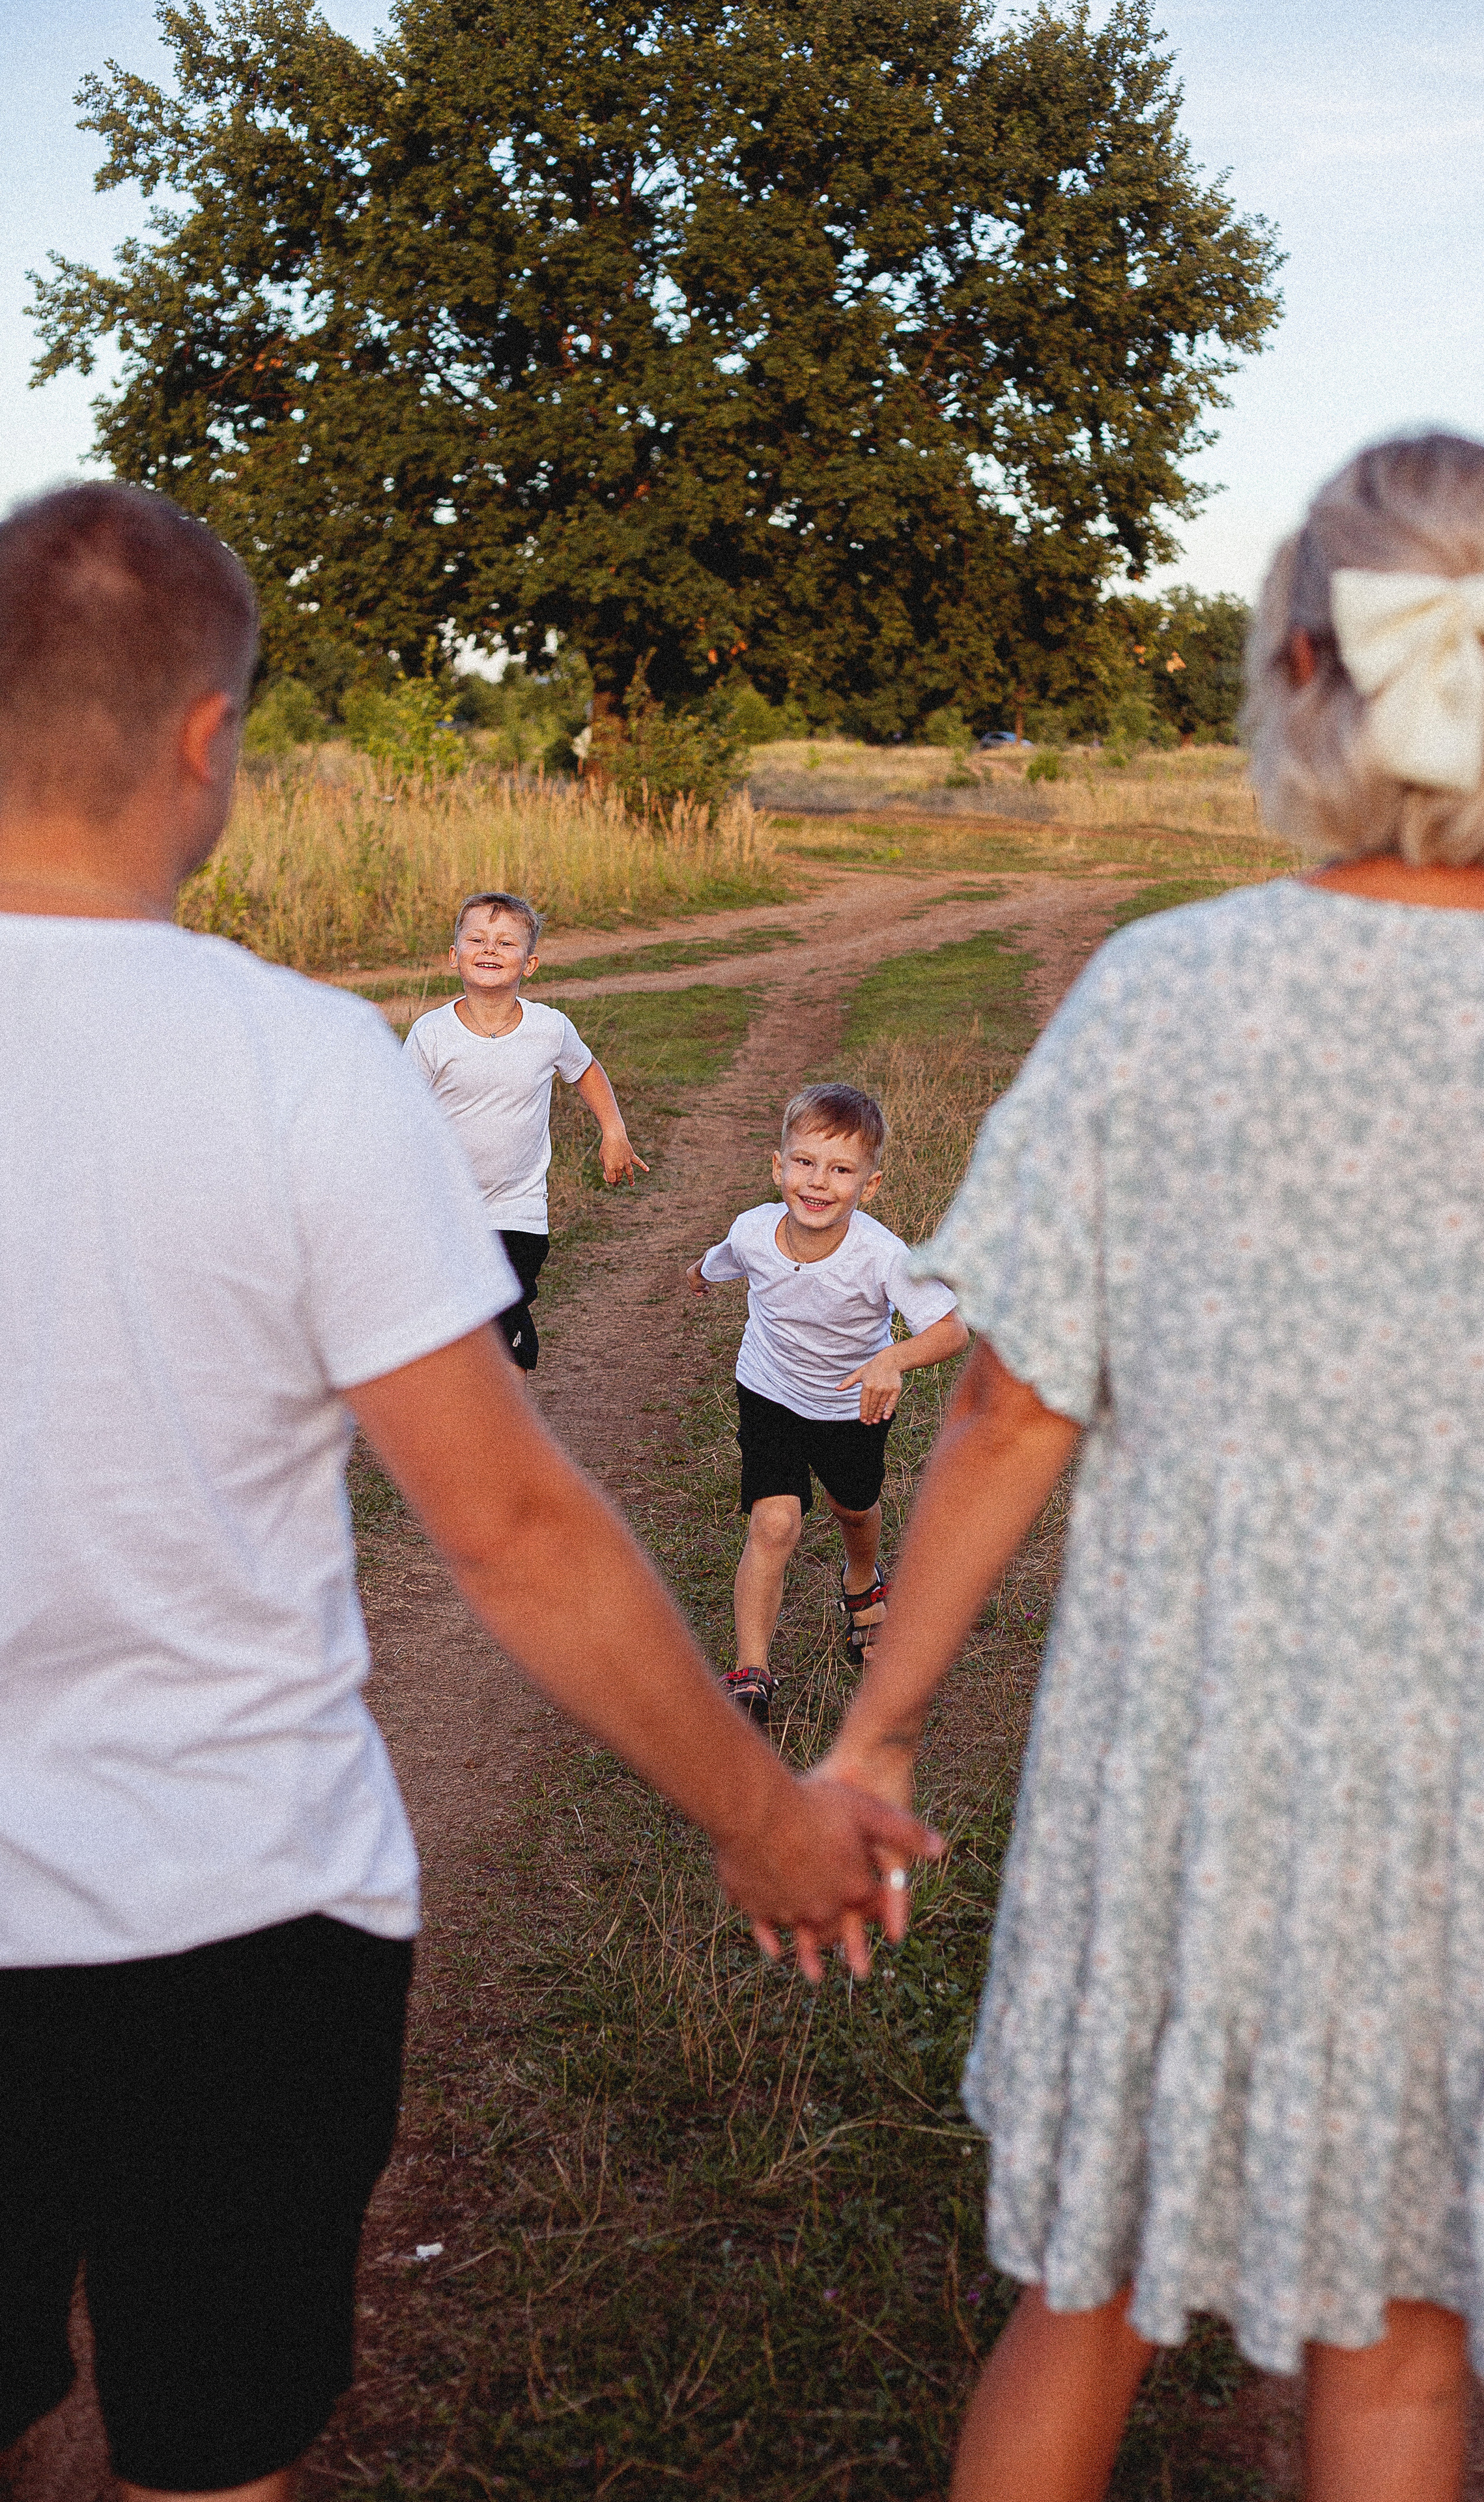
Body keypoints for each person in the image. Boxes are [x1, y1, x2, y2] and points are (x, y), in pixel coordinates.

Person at [0, 482, 937, 2502]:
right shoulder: (309, 1059)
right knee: (206, 2449)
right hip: (234, 1918)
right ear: (202, 741)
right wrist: (764, 1814)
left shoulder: (370, 1043)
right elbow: (506, 1529)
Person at [818, 434, 1484, 2502]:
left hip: (1183, 1765)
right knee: (1398, 2344)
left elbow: (1011, 1409)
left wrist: (883, 1727)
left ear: (1297, 671)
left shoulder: (1162, 996)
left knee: (1081, 2287)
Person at [687, 1082, 969, 1721]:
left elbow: (950, 1330)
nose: (818, 1183)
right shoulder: (753, 1231)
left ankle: (860, 1578)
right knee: (775, 1522)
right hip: (770, 1391)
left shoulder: (881, 1256)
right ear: (778, 1165)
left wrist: (891, 1359)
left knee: (854, 1506)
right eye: (805, 1163)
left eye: (840, 1170)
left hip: (851, 1408)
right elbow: (721, 1260)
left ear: (868, 1186)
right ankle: (751, 1670)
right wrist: (697, 1277)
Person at [403, 891, 646, 1371]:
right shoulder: (431, 1035)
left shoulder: (549, 1029)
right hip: (446, 1209)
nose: (490, 949)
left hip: (519, 1211)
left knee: (495, 1324)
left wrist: (613, 1131)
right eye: (477, 939)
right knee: (463, 1329)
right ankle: (501, 1371)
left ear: (529, 964)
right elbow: (398, 1111)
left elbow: (586, 1070)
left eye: (505, 943)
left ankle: (495, 1420)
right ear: (455, 957)